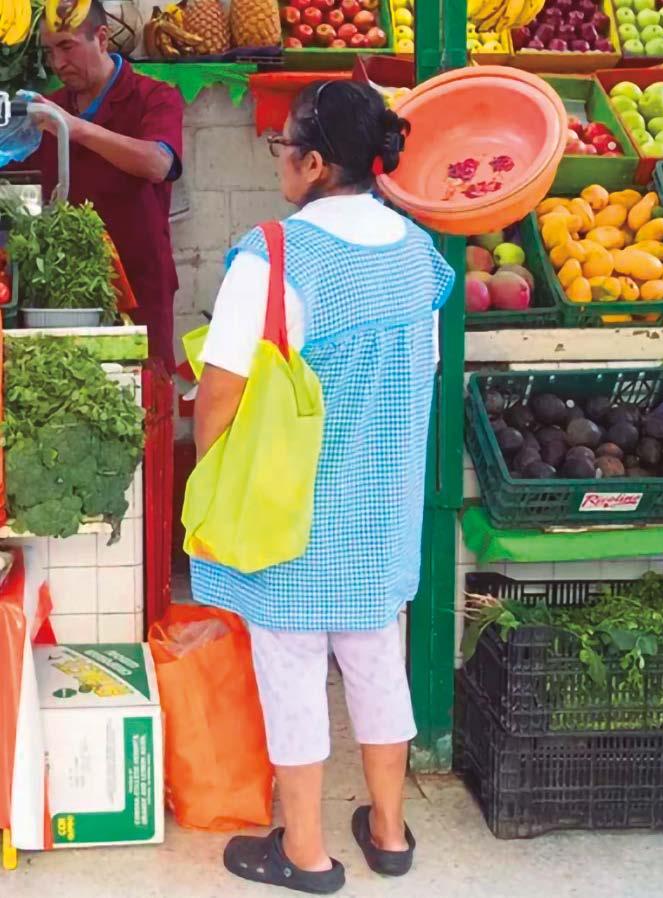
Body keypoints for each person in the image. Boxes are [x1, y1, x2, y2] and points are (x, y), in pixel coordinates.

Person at [190, 80, 454, 894]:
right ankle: (389, 833)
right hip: (382, 510)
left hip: (291, 512)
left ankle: (305, 853)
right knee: (377, 663)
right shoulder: (418, 252)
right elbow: (422, 369)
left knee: (293, 673)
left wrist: (212, 475)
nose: (277, 159)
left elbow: (219, 393)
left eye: (282, 146)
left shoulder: (274, 255)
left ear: (311, 163)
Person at [7, 0, 184, 370]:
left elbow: (158, 163)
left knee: (143, 384)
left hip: (138, 283)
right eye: (49, 52)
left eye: (67, 47)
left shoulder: (155, 96)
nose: (58, 63)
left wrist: (76, 128)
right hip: (61, 290)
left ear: (102, 38)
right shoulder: (48, 111)